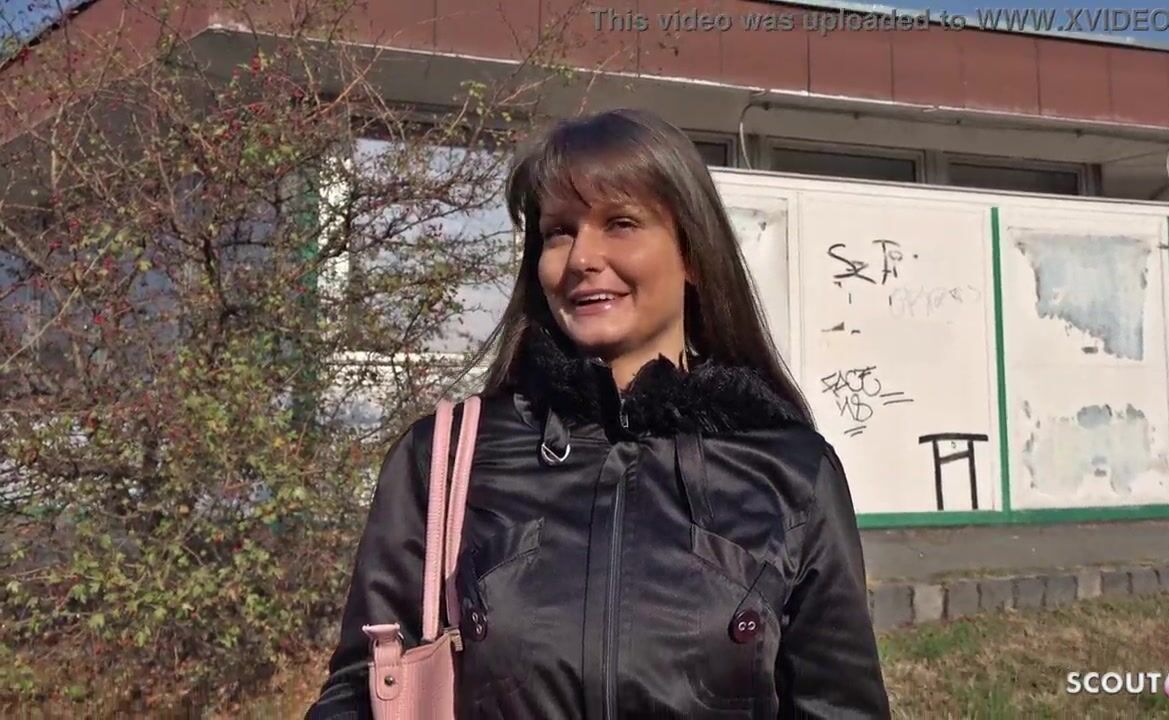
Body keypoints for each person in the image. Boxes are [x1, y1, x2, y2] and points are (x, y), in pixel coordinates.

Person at [306, 108, 891, 719]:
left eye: (620, 223)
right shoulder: (449, 459)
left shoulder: (790, 471)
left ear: (693, 253)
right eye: (559, 231)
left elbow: (841, 708)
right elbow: (361, 692)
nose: (582, 257)